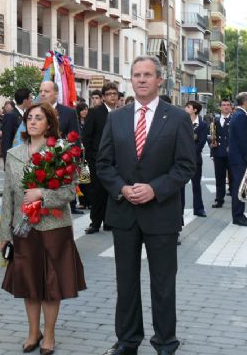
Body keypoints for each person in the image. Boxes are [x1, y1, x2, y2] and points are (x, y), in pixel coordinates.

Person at [96, 56, 195, 355]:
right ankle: (127, 340)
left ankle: (165, 342)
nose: (141, 79)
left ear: (159, 80)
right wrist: (122, 188)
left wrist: (154, 189)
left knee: (163, 285)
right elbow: (103, 163)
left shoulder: (177, 117)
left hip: (161, 214)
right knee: (125, 283)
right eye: (136, 75)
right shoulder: (116, 118)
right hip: (124, 213)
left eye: (147, 75)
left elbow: (186, 166)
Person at [0, 102, 86, 355]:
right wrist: (6, 234)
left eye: (39, 118)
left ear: (49, 123)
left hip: (54, 227)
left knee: (52, 284)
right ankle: (32, 332)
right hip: (24, 228)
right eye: (29, 117)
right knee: (29, 282)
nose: (33, 121)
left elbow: (71, 191)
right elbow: (8, 197)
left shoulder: (62, 151)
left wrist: (42, 195)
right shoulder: (14, 154)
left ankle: (49, 335)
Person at [39, 80, 81, 215]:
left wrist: (73, 164)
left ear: (56, 94)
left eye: (46, 91)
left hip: (61, 165)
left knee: (59, 209)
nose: (43, 94)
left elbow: (75, 139)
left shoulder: (68, 113)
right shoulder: (34, 111)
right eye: (40, 91)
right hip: (38, 164)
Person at [82, 82, 119, 234]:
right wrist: (92, 157)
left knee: (113, 192)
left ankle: (109, 221)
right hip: (97, 159)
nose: (112, 96)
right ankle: (95, 222)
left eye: (115, 94)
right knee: (97, 191)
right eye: (109, 94)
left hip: (117, 161)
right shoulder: (95, 112)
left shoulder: (121, 112)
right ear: (103, 97)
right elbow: (87, 136)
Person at [228, 92, 247, 227]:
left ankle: (240, 214)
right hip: (240, 159)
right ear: (246, 102)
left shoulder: (241, 115)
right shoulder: (240, 116)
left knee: (242, 187)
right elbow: (242, 141)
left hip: (240, 158)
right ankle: (237, 216)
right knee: (239, 188)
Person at [182, 101, 208, 217]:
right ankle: (179, 210)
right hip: (181, 160)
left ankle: (199, 209)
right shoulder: (182, 122)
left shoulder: (202, 125)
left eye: (188, 107)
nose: (185, 108)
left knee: (196, 185)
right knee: (180, 187)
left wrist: (189, 154)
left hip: (195, 159)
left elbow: (201, 143)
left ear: (195, 110)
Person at [210, 99, 232, 208]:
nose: (226, 107)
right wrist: (211, 142)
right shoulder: (215, 120)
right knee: (219, 178)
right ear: (220, 107)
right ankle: (219, 199)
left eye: (228, 105)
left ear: (231, 107)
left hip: (231, 154)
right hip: (218, 153)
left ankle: (235, 198)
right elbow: (211, 135)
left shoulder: (234, 120)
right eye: (223, 105)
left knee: (233, 178)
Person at [1, 88, 32, 163]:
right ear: (25, 101)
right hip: (15, 157)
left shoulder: (28, 114)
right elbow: (6, 140)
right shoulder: (10, 116)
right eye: (30, 98)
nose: (32, 100)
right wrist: (7, 160)